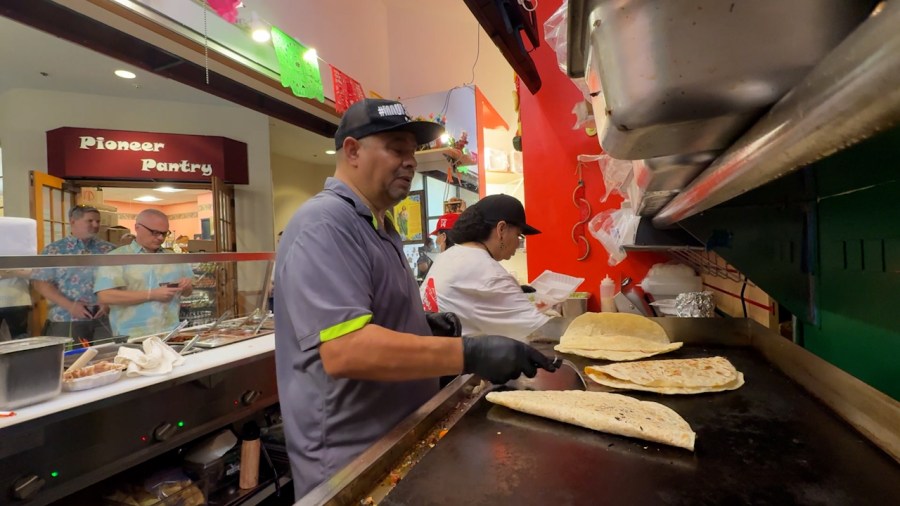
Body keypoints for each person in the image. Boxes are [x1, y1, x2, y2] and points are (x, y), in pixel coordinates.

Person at [274, 98, 556, 499]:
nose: (409, 161)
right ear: (352, 151)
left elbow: (368, 318)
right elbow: (345, 349)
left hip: (397, 436)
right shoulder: (324, 225)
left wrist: (422, 325)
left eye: (412, 152)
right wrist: (469, 353)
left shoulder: (380, 227)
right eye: (396, 148)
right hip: (350, 461)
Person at [421, 194, 551, 341]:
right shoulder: (490, 273)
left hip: (434, 353)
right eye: (519, 236)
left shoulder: (447, 256)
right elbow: (540, 330)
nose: (517, 243)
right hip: (459, 359)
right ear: (501, 229)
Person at [94, 209, 193, 338]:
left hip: (170, 333)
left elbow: (188, 292)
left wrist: (186, 286)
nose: (160, 238)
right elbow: (105, 296)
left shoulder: (173, 258)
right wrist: (151, 294)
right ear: (137, 228)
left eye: (164, 233)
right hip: (130, 335)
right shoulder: (117, 257)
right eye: (155, 232)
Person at [32, 205, 116, 345]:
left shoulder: (108, 249)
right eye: (90, 221)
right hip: (66, 317)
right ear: (73, 221)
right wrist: (70, 305)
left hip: (103, 317)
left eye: (98, 221)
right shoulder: (55, 250)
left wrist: (108, 302)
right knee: (69, 361)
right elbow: (40, 283)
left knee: (106, 358)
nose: (95, 225)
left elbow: (119, 280)